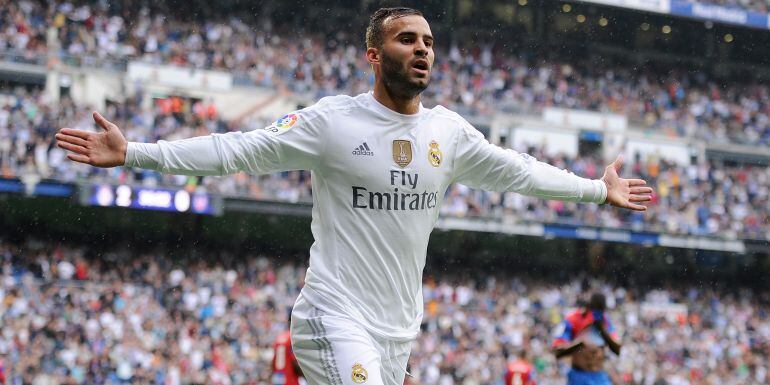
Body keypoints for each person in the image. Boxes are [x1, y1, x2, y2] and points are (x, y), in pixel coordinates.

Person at [55, 7, 652, 385]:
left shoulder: (449, 132)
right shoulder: (332, 123)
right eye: (406, 40)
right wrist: (136, 153)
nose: (422, 49)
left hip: (398, 335)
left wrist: (598, 191)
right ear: (374, 55)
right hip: (332, 317)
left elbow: (520, 171)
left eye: (428, 41)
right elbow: (237, 150)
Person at [552, 293, 621, 385]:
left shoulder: (605, 320)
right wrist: (580, 344)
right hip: (578, 377)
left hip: (599, 377)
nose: (598, 313)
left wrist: (603, 331)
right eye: (596, 309)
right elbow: (557, 351)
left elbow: (617, 349)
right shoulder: (573, 319)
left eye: (601, 310)